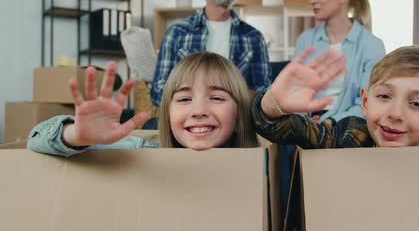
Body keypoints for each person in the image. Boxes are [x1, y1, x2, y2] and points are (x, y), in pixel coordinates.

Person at [27, 52, 259, 156]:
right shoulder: (141, 152)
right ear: (167, 115)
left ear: (239, 117)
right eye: (184, 99)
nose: (198, 111)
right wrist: (76, 135)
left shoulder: (259, 166)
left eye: (217, 98)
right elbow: (34, 141)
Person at [252, 45, 419, 148]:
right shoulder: (349, 135)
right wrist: (274, 104)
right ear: (365, 102)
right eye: (384, 96)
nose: (395, 113)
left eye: (416, 103)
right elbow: (288, 130)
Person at [150, 0, 271, 107]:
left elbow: (263, 94)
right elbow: (158, 92)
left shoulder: (254, 38)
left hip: (237, 122)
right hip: (187, 120)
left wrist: (230, 98)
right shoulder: (177, 34)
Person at [294, 0, 385, 124]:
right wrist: (305, 123)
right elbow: (294, 90)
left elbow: (368, 102)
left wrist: (330, 122)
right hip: (306, 124)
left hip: (347, 123)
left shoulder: (372, 45)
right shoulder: (305, 40)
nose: (312, 0)